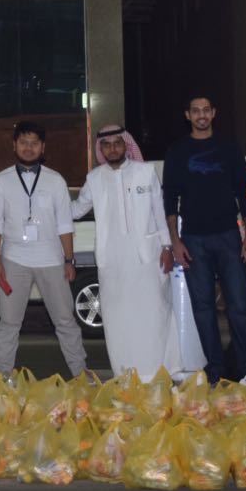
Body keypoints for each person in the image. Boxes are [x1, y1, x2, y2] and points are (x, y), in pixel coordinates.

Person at [161, 94, 246, 384]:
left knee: (240, 306)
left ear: (214, 113)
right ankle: (216, 370)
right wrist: (175, 241)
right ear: (188, 115)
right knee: (203, 308)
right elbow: (170, 199)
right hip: (193, 239)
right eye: (195, 111)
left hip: (228, 237)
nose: (201, 115)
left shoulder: (228, 147)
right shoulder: (178, 151)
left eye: (206, 110)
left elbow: (244, 193)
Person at [71, 125, 179, 378]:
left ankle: (157, 372)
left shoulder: (145, 172)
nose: (112, 149)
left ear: (125, 145)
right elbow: (75, 210)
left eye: (117, 143)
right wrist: (48, 210)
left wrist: (167, 246)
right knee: (118, 319)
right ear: (101, 149)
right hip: (112, 262)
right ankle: (126, 374)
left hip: (147, 258)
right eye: (106, 145)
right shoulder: (94, 179)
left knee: (153, 314)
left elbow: (159, 211)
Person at [0, 121, 87, 377]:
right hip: (13, 260)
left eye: (34, 143)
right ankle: (2, 376)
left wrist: (69, 260)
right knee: (8, 323)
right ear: (14, 145)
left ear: (43, 147)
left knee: (65, 320)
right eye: (23, 143)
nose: (28, 148)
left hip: (52, 259)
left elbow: (65, 224)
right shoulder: (1, 181)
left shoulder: (55, 181)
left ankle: (80, 373)